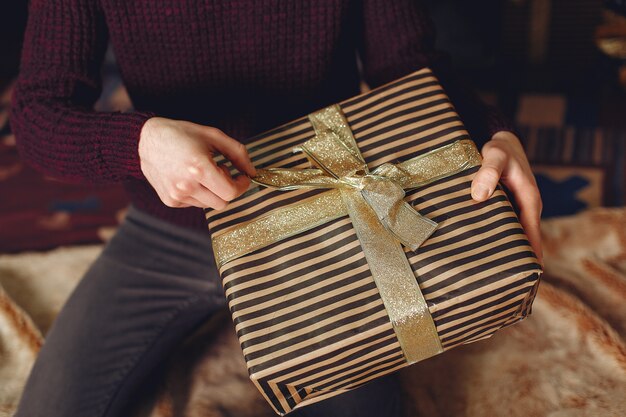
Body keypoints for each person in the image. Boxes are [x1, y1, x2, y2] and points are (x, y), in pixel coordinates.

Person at [10, 1, 543, 416]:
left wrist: (490, 133)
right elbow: (37, 113)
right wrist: (141, 142)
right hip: (167, 233)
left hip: (329, 224)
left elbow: (408, 65)